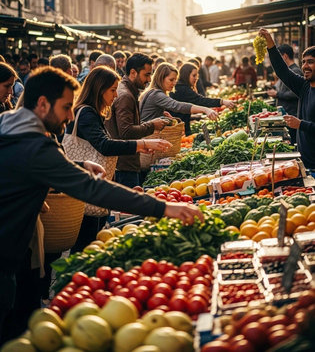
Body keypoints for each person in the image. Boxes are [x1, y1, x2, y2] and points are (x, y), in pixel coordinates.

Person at [0, 66, 203, 338]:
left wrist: (78, 163)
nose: (71, 115)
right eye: (66, 107)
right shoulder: (35, 145)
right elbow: (93, 190)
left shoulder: (8, 127)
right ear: (42, 104)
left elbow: (31, 167)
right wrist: (163, 208)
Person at [65, 65, 171, 250]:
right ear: (99, 89)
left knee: (91, 240)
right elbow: (105, 146)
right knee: (85, 244)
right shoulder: (86, 113)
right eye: (112, 90)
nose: (115, 96)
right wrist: (143, 144)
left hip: (91, 189)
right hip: (85, 191)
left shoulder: (93, 112)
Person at [106, 54, 169, 188]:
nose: (149, 79)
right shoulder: (125, 96)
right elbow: (126, 131)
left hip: (124, 160)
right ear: (133, 72)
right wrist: (152, 125)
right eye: (146, 75)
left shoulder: (127, 91)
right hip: (124, 165)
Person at [259, 28, 315, 170]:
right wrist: (270, 44)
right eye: (303, 62)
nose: (305, 66)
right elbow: (283, 71)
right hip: (305, 162)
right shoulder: (305, 86)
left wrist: (301, 124)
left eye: (310, 62)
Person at [140, 62, 219, 126]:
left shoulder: (151, 91)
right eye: (171, 80)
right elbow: (177, 106)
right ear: (161, 78)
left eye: (175, 79)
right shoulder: (157, 94)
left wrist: (161, 114)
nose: (174, 83)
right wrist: (205, 109)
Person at [171, 62, 235, 135]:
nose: (196, 78)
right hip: (178, 128)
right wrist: (222, 101)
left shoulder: (181, 86)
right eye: (194, 75)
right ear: (186, 75)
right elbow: (200, 100)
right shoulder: (182, 88)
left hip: (181, 124)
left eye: (197, 75)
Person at [266, 44, 303, 144]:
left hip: (292, 114)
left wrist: (278, 94)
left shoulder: (296, 71)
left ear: (285, 56)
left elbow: (294, 94)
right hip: (287, 113)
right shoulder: (289, 70)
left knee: (293, 142)